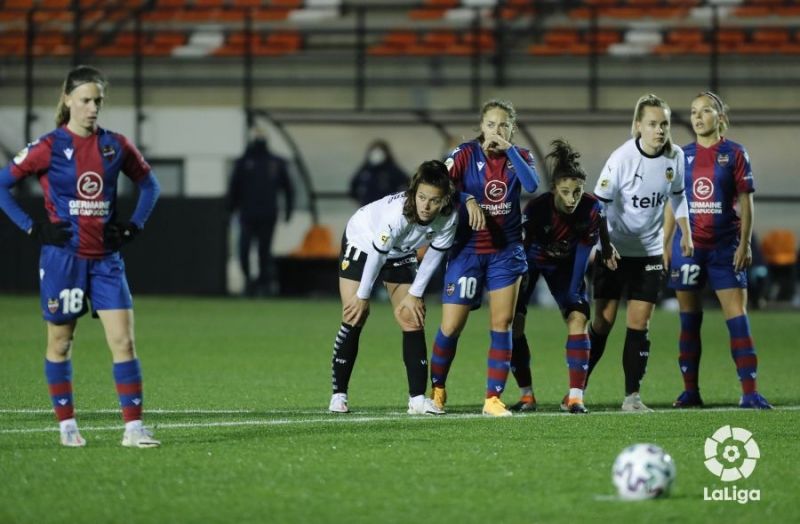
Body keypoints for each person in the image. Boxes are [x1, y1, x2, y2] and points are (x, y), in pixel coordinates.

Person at [0, 65, 161, 447]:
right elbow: (2, 186)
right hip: (63, 260)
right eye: (86, 100)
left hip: (106, 260)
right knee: (60, 342)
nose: (92, 108)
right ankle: (67, 425)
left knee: (123, 342)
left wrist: (133, 227)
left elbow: (150, 186)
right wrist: (33, 228)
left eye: (98, 101)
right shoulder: (48, 147)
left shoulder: (115, 146)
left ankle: (133, 429)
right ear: (68, 99)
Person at [428, 99, 539, 417]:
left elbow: (532, 184)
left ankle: (493, 398)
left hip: (506, 254)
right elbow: (441, 186)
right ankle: (437, 390)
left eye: (504, 125)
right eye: (491, 124)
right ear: (481, 127)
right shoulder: (464, 154)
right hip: (468, 251)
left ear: (512, 129)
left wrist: (510, 150)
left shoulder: (521, 158)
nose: (496, 130)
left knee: (502, 323)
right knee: (451, 326)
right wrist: (468, 199)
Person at [583, 93, 693, 412]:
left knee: (639, 323)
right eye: (652, 124)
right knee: (602, 322)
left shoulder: (676, 158)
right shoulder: (621, 159)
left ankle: (632, 396)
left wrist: (685, 233)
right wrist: (604, 246)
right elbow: (598, 207)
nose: (659, 130)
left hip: (649, 253)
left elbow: (678, 197)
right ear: (637, 126)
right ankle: (578, 388)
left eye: (664, 124)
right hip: (614, 252)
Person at [664, 91, 772, 409]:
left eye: (706, 110)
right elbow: (675, 201)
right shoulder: (681, 155)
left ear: (720, 117)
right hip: (688, 247)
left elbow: (746, 201)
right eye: (694, 111)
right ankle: (690, 392)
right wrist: (665, 241)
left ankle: (750, 391)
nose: (698, 117)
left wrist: (745, 242)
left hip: (726, 248)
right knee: (688, 319)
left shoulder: (736, 153)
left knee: (737, 317)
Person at [328, 160, 458, 415]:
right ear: (413, 192)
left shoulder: (449, 216)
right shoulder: (396, 214)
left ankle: (417, 400)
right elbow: (377, 255)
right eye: (421, 197)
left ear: (444, 199)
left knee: (412, 318)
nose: (426, 205)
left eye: (434, 200)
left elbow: (434, 255)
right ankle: (338, 395)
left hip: (401, 250)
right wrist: (364, 296)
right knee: (355, 314)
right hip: (364, 240)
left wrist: (415, 294)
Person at [508, 139, 616, 414]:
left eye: (577, 192)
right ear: (554, 188)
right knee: (514, 323)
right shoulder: (536, 209)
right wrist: (519, 283)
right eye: (565, 192)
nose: (571, 199)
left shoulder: (592, 209)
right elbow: (521, 247)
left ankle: (576, 397)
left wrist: (572, 291)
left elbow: (583, 251)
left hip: (566, 267)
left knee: (578, 317)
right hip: (531, 263)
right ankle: (527, 395)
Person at [227, 130, 294, 297]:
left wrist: (288, 210)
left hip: (268, 215)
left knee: (264, 251)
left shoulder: (276, 163)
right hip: (246, 215)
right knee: (243, 250)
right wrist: (229, 211)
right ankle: (249, 281)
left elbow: (288, 189)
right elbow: (233, 189)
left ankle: (264, 284)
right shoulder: (243, 162)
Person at [348, 139, 409, 207]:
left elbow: (407, 183)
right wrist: (360, 199)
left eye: (380, 152)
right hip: (368, 206)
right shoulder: (365, 169)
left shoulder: (392, 170)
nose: (377, 155)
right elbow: (353, 186)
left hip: (387, 207)